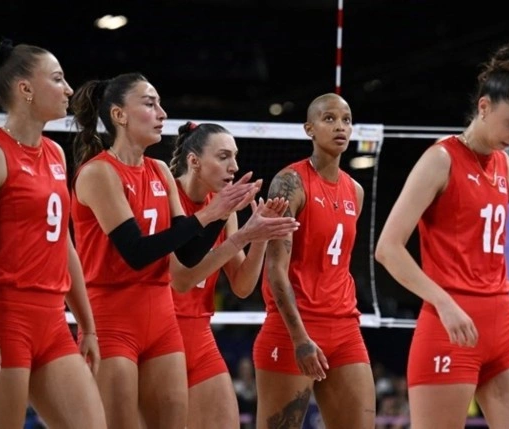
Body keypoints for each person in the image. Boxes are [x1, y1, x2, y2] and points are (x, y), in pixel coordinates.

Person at [69, 73, 264, 428]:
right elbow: (137, 252)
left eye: (160, 103)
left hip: (161, 323)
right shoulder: (98, 173)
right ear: (119, 115)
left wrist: (223, 214)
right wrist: (211, 214)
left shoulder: (159, 170)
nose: (162, 112)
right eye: (150, 103)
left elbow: (188, 253)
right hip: (112, 321)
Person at [374, 41, 509, 428]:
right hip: (450, 325)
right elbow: (388, 248)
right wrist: (444, 302)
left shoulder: (505, 168)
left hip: (502, 325)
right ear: (484, 107)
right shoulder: (441, 159)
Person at [0, 37, 106, 428]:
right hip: (2, 319)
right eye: (57, 78)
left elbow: (64, 246)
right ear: (26, 89)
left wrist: (87, 325)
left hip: (52, 322)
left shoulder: (55, 153)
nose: (68, 89)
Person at [253, 93, 376, 429]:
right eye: (329, 119)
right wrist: (299, 339)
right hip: (295, 326)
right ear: (309, 128)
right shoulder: (290, 182)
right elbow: (275, 269)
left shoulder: (355, 191)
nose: (340, 127)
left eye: (346, 120)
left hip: (345, 326)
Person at [168, 121, 299, 429]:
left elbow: (242, 286)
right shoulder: (166, 195)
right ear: (194, 161)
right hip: (162, 333)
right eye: (224, 156)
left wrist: (259, 236)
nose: (235, 167)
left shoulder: (225, 206)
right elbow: (182, 280)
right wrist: (242, 237)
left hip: (200, 335)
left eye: (235, 156)